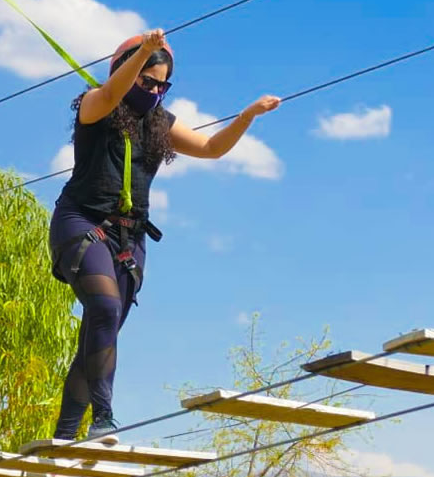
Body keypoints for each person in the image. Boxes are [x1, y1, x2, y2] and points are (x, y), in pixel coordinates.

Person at [48, 29, 280, 441]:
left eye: (161, 85)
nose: (154, 90)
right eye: (146, 79)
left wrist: (247, 116)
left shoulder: (158, 124)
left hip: (129, 237)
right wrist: (145, 52)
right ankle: (103, 418)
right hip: (81, 222)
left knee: (101, 333)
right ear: (126, 71)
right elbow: (112, 92)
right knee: (103, 308)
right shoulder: (96, 104)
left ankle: (66, 435)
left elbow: (211, 149)